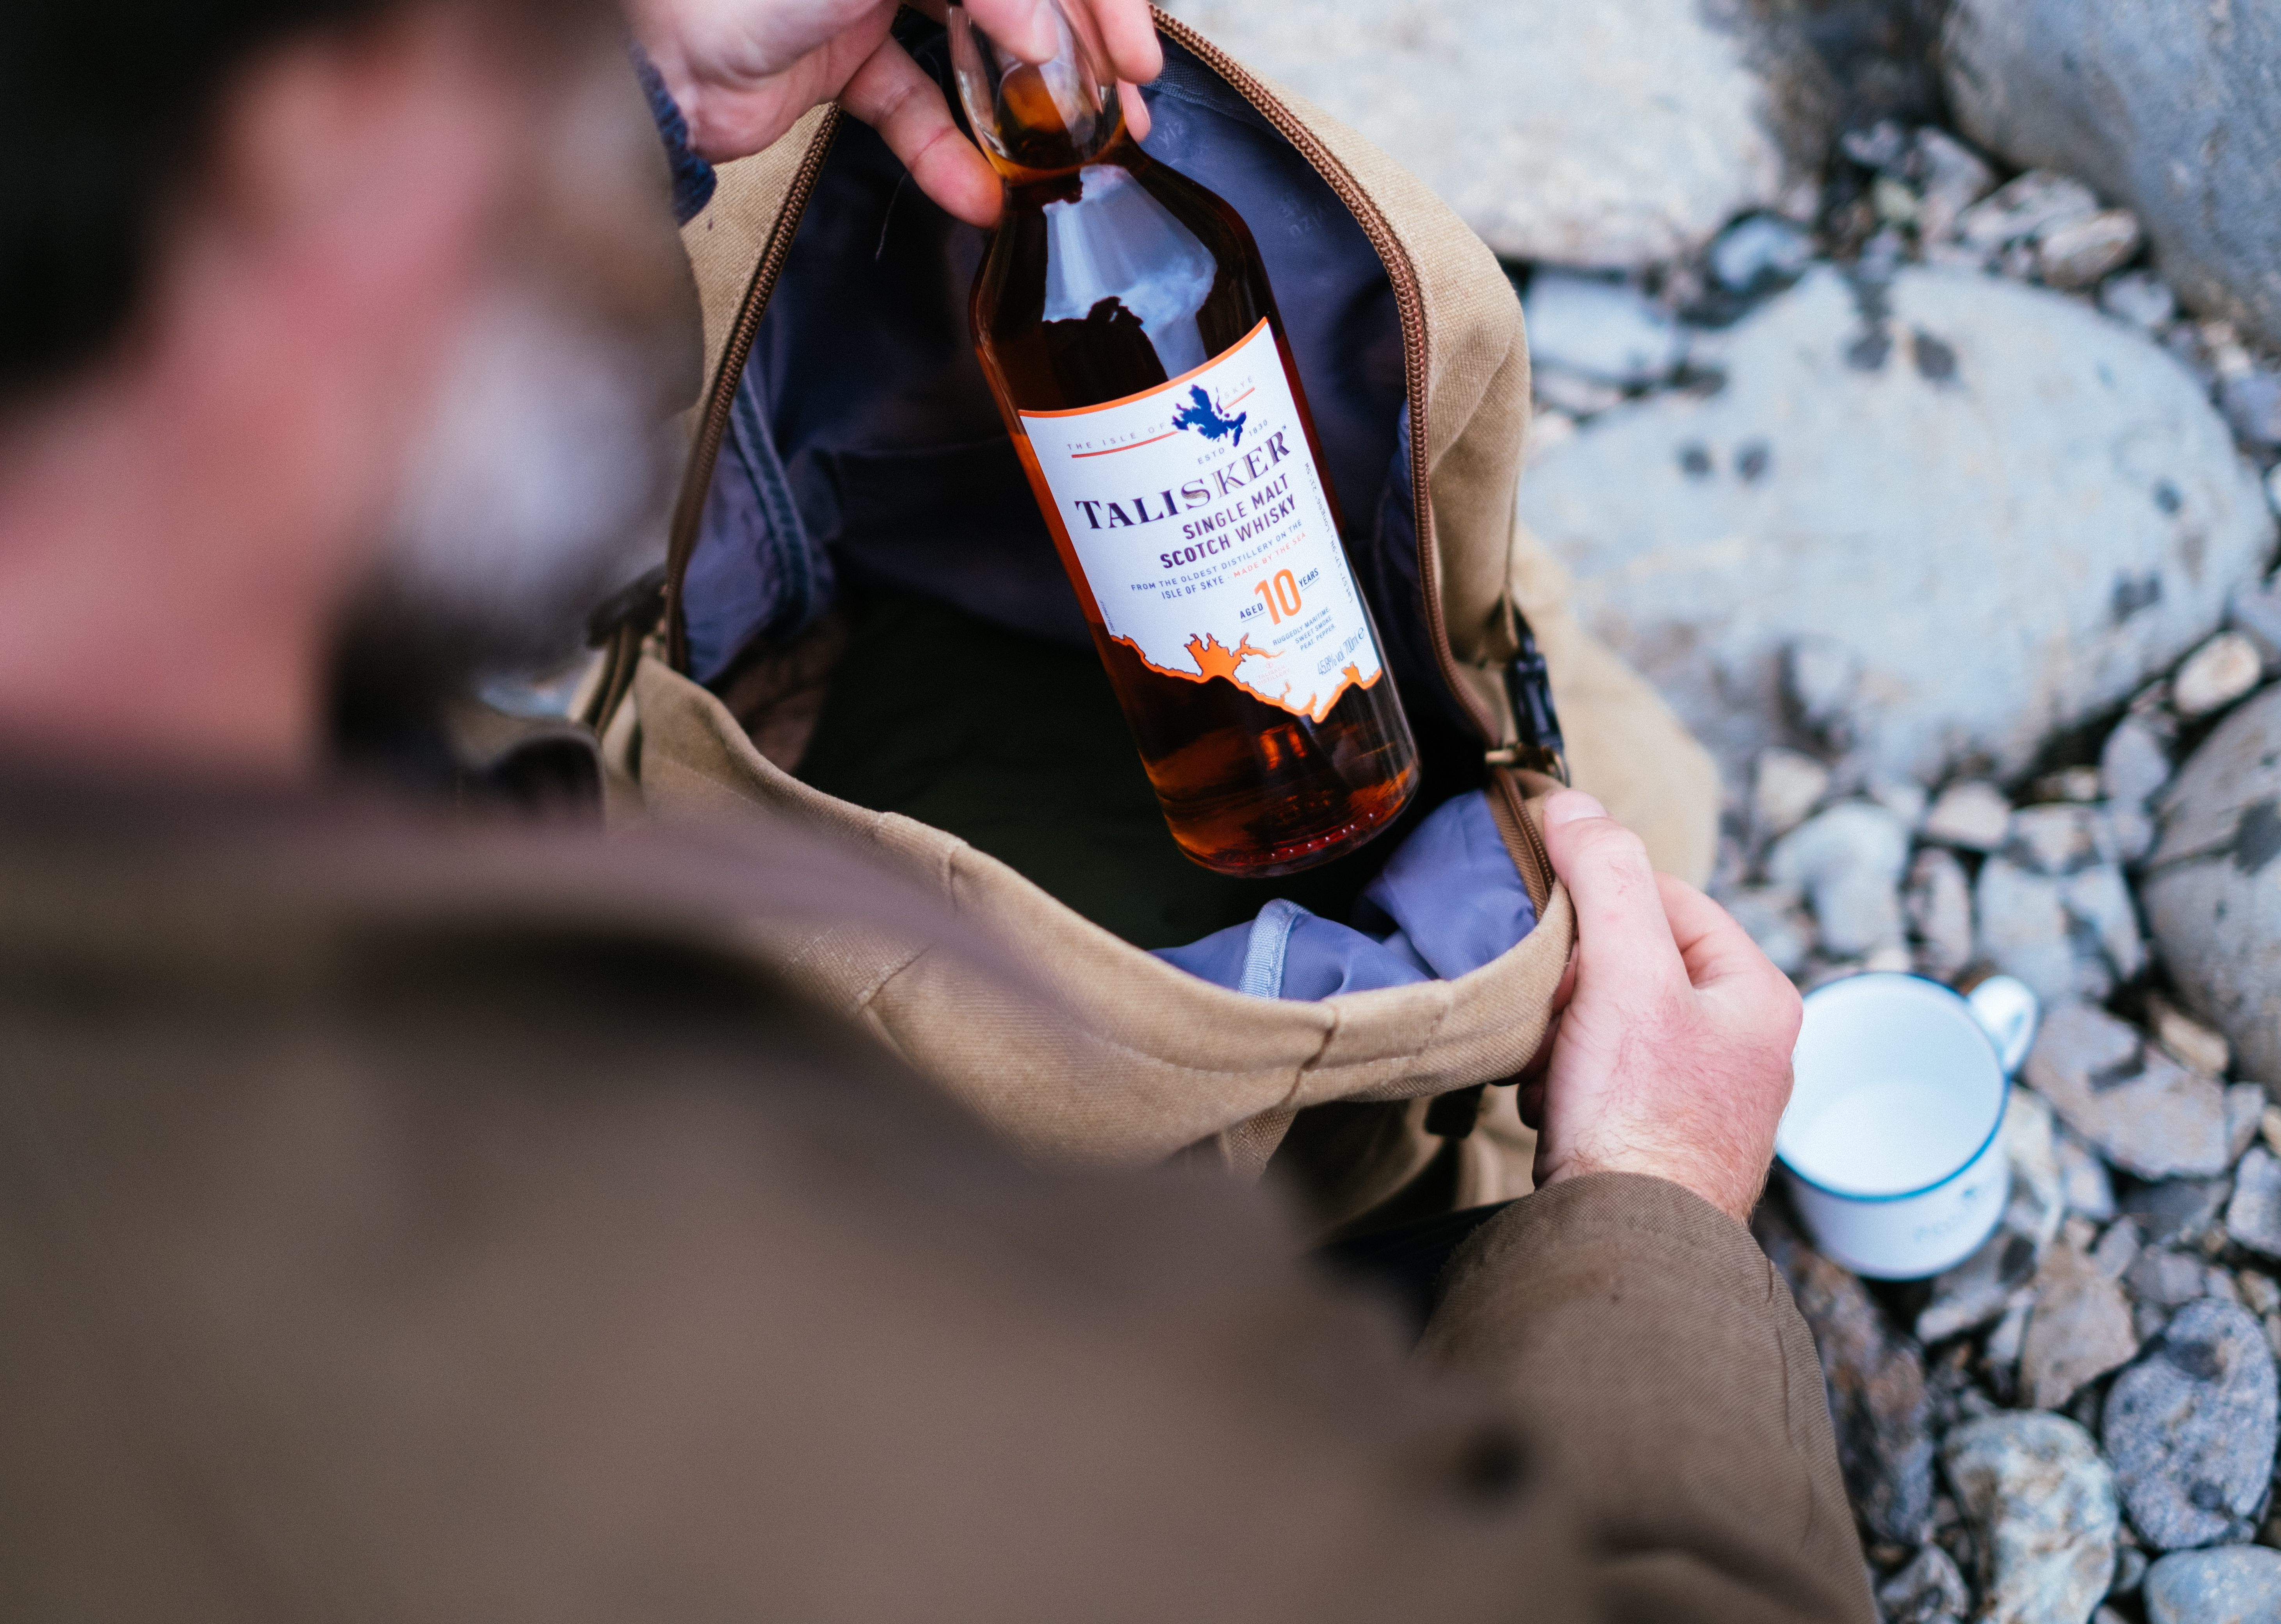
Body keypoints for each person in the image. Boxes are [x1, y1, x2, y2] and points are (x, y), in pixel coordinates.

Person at [0, 0, 1875, 1619]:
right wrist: (1646, 1204)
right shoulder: (721, 1405)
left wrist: (656, 95)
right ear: (276, 158)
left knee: (1610, 746)